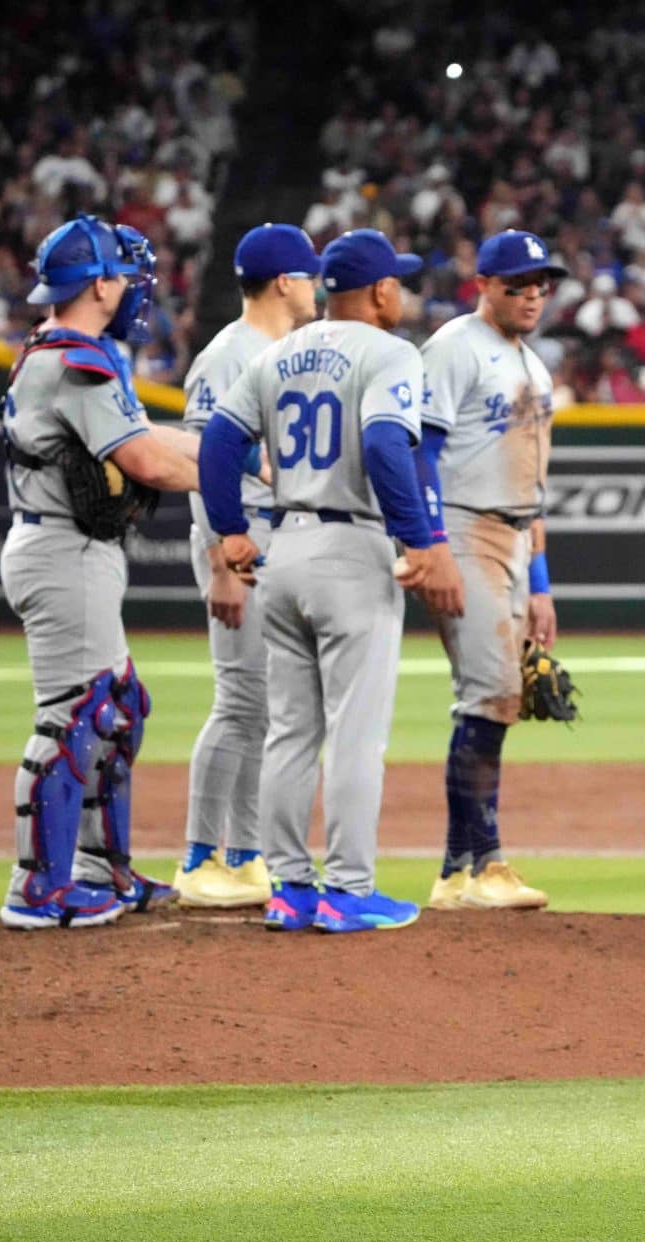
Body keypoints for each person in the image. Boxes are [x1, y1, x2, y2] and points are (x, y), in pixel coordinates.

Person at [198, 228, 463, 934]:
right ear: (379, 292)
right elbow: (383, 443)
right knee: (354, 734)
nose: (401, 292)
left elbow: (219, 443)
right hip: (352, 549)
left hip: (282, 549)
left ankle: (288, 888)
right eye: (397, 281)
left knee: (290, 730)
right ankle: (348, 890)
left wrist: (229, 530)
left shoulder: (276, 352)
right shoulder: (391, 352)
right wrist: (421, 541)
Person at [0, 214, 203, 930]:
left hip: (70, 548)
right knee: (74, 718)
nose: (131, 285)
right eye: (122, 273)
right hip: (63, 552)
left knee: (119, 710)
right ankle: (39, 887)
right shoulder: (75, 359)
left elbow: (150, 440)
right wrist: (228, 476)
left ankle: (98, 869)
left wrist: (226, 452)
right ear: (100, 283)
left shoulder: (71, 350)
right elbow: (146, 461)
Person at [172, 223, 322, 908]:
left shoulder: (284, 352)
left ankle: (246, 853)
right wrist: (220, 562)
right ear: (285, 281)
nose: (318, 285)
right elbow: (208, 463)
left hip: (275, 541)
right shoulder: (227, 355)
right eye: (311, 274)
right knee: (239, 702)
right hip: (240, 543)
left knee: (266, 708)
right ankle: (200, 855)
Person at [418, 229, 564, 912]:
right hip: (465, 527)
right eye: (518, 284)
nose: (532, 294)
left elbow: (534, 484)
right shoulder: (453, 347)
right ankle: (479, 865)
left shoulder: (534, 364)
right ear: (484, 285)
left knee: (501, 696)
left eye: (541, 284)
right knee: (491, 689)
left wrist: (540, 583)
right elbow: (422, 449)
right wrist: (431, 543)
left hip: (513, 535)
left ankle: (464, 868)